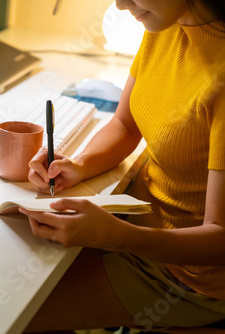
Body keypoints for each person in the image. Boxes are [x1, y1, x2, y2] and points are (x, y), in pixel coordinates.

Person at [19, 0, 225, 332]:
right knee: (12, 265)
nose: (119, 3)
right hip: (133, 223)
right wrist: (77, 165)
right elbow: (125, 125)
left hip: (185, 277)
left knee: (14, 315)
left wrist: (119, 237)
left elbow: (220, 239)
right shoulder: (167, 24)